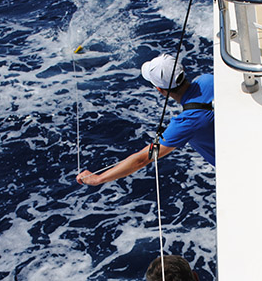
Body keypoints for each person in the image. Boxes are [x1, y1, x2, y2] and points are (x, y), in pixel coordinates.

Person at [76, 54, 214, 186]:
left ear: (160, 90)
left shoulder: (185, 123)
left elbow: (141, 160)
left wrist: (98, 178)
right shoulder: (207, 79)